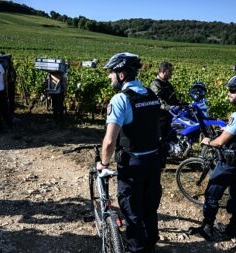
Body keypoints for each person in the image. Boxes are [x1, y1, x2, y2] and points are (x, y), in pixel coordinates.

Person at [97, 52, 162, 252]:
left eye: (112, 73)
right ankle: (151, 242)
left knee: (132, 212)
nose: (109, 77)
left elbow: (109, 141)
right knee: (150, 207)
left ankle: (137, 249)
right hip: (154, 160)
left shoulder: (120, 99)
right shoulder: (151, 95)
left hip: (133, 165)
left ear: (122, 75)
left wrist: (104, 164)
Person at [188, 74, 236, 240]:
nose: (228, 93)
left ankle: (207, 228)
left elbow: (220, 142)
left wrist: (207, 141)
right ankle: (233, 228)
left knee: (212, 194)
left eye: (232, 90)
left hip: (228, 162)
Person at [0, 52, 18, 120]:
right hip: (8, 85)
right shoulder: (8, 64)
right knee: (9, 100)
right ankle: (9, 116)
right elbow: (13, 76)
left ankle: (8, 116)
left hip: (6, 85)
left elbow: (9, 76)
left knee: (7, 100)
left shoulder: (5, 65)